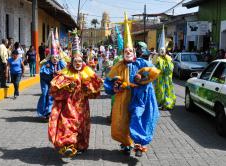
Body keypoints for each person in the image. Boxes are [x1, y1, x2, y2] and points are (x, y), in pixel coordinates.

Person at [104, 13, 160, 157]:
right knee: (122, 122)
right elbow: (108, 82)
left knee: (138, 118)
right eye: (126, 51)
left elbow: (154, 72)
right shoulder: (118, 66)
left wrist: (142, 76)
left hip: (138, 98)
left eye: (130, 51)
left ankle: (139, 144)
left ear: (134, 52)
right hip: (123, 97)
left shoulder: (142, 62)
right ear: (122, 53)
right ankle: (126, 144)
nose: (128, 53)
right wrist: (115, 87)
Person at [48, 29, 103, 157]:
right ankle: (68, 145)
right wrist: (67, 86)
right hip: (69, 105)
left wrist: (87, 88)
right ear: (71, 61)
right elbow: (54, 89)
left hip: (82, 105)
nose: (77, 64)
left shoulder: (87, 72)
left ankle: (81, 145)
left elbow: (95, 91)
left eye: (79, 61)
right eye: (75, 61)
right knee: (69, 123)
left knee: (81, 125)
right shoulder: (65, 73)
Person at [153, 26, 176, 111]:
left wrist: (165, 69)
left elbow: (171, 68)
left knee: (166, 91)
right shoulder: (156, 57)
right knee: (159, 91)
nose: (162, 51)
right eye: (161, 50)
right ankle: (159, 103)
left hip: (166, 79)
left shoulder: (168, 58)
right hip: (158, 79)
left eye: (163, 50)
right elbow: (153, 67)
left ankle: (166, 103)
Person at [37, 54, 66, 119]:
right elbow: (41, 66)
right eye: (53, 58)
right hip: (46, 82)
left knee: (53, 96)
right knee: (45, 94)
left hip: (56, 83)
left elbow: (65, 68)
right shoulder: (47, 64)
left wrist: (60, 71)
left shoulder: (60, 63)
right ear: (50, 58)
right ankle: (44, 112)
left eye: (56, 58)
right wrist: (46, 60)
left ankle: (51, 111)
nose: (55, 59)